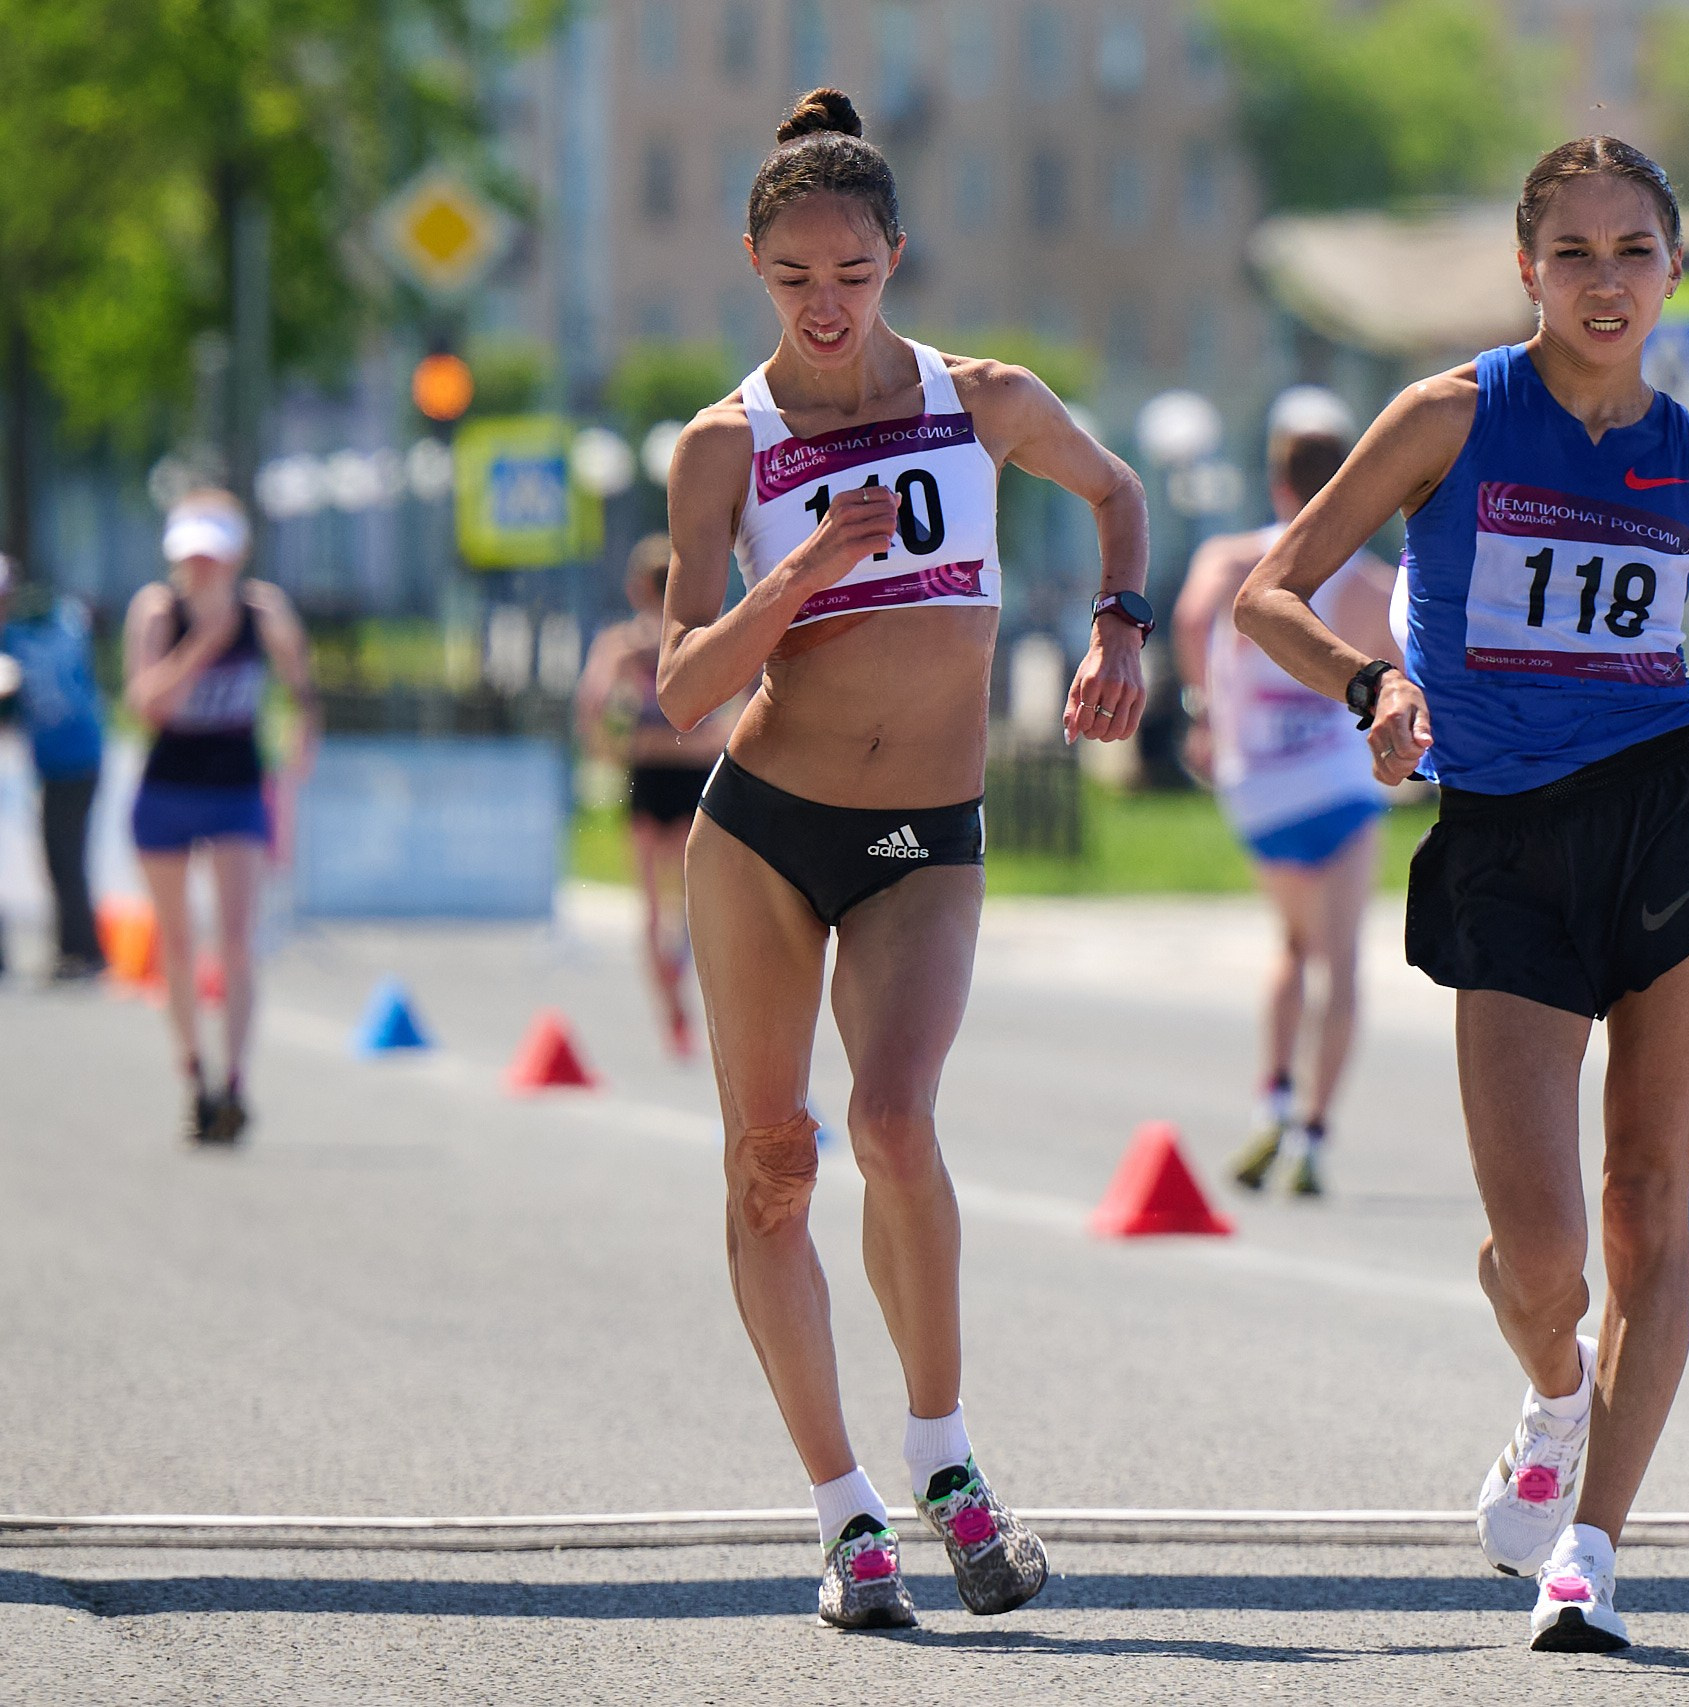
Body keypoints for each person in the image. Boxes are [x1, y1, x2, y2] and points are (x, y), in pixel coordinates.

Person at [1238, 137, 1689, 1653]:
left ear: (1674, 270)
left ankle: (1596, 1548)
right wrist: (1373, 683)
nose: (1606, 280)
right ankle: (1556, 1387)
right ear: (1529, 271)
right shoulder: (1450, 416)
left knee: (1646, 1198)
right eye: (1576, 252)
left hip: (1667, 818)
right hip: (1501, 836)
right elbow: (1270, 591)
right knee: (1541, 1249)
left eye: (1634, 250)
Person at [655, 89, 1148, 1632]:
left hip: (924, 833)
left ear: (895, 257)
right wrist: (804, 564)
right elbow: (681, 688)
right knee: (772, 1160)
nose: (824, 305)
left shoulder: (983, 399)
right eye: (794, 278)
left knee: (892, 1116)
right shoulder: (724, 443)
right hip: (764, 830)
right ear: (753, 266)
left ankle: (945, 1460)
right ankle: (843, 1509)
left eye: (852, 274)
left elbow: (1120, 493)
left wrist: (1118, 623)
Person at [1174, 391, 1397, 1198]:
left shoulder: (1233, 561)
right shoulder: (1368, 582)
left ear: (1276, 485)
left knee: (1290, 947)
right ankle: (1314, 1132)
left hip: (1257, 784)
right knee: (1340, 963)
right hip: (1337, 786)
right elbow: (1407, 668)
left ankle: (1271, 1097)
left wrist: (1210, 712)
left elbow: (1195, 617)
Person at [120, 490, 317, 1143]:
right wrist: (203, 645)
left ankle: (234, 1082)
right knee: (176, 942)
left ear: (236, 556)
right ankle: (192, 1075)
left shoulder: (265, 612)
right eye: (193, 557)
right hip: (169, 785)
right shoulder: (157, 610)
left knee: (235, 941)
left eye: (214, 556)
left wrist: (300, 742)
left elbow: (299, 681)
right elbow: (146, 704)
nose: (202, 569)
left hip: (235, 786)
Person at [573, 534, 736, 1058]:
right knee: (690, 899)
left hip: (647, 770)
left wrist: (611, 748)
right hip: (694, 769)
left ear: (636, 587)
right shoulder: (699, 638)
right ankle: (683, 972)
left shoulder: (624, 645)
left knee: (649, 902)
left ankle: (670, 1006)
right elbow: (743, 694)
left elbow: (592, 704)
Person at [0, 552, 109, 982]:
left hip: (75, 757)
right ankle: (77, 949)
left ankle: (82, 951)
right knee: (61, 856)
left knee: (64, 856)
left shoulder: (22, 635)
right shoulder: (59, 621)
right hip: (61, 758)